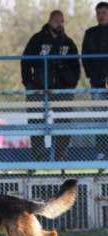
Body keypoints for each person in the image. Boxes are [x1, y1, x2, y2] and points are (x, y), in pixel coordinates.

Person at [21, 10, 80, 161]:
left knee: (63, 122)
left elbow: (76, 67)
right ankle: (39, 157)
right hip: (39, 89)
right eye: (56, 21)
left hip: (62, 90)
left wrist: (71, 85)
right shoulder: (37, 39)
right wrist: (28, 83)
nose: (59, 24)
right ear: (49, 21)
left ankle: (60, 156)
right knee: (36, 121)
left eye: (62, 21)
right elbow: (25, 61)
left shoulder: (68, 42)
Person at [82, 1, 108, 160]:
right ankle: (102, 151)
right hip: (97, 82)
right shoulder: (90, 33)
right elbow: (85, 56)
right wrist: (91, 74)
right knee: (99, 116)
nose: (101, 16)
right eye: (99, 13)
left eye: (104, 12)